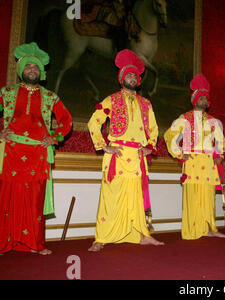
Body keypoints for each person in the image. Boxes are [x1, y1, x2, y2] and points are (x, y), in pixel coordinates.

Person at [87, 49, 164, 251]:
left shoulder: (146, 104)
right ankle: (101, 237)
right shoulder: (110, 100)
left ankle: (141, 234)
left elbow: (154, 129)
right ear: (121, 78)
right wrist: (104, 146)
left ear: (138, 80)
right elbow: (94, 123)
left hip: (138, 157)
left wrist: (150, 147)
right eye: (127, 74)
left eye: (134, 75)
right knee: (110, 197)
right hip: (117, 156)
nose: (131, 77)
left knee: (136, 199)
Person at [0, 42, 72, 255]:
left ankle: (35, 244)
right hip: (11, 152)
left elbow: (66, 120)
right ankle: (4, 243)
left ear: (41, 72)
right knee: (6, 198)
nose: (32, 69)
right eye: (28, 66)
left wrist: (54, 137)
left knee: (34, 200)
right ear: (21, 70)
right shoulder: (6, 92)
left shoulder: (50, 97)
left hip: (38, 154)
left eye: (36, 67)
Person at [164, 74, 225, 240]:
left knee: (208, 198)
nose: (204, 101)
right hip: (192, 163)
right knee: (192, 198)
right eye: (201, 98)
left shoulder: (214, 121)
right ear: (195, 100)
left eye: (206, 98)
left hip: (208, 164)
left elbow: (222, 141)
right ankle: (192, 231)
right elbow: (169, 136)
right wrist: (179, 153)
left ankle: (210, 228)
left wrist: (220, 155)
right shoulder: (184, 118)